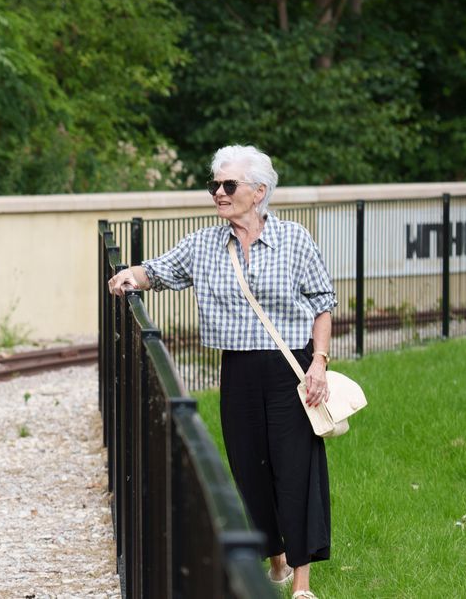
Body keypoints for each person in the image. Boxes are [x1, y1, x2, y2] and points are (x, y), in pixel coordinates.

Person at [105, 145, 335, 598]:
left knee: (295, 471)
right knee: (250, 469)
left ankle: (302, 583)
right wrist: (127, 275)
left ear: (259, 191)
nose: (219, 193)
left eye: (229, 185)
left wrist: (320, 365)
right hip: (239, 370)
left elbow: (323, 304)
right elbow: (159, 271)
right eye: (215, 185)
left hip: (291, 366)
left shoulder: (294, 239)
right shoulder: (204, 244)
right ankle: (276, 558)